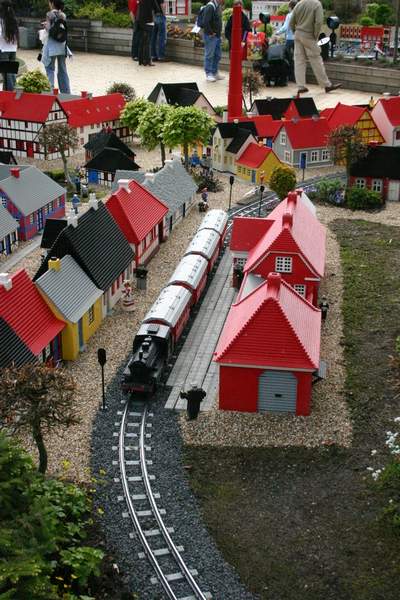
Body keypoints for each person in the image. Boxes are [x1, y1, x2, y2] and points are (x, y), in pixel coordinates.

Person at [290, 0, 341, 95]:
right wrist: (315, 35)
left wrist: (295, 32)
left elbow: (291, 22)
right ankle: (326, 85)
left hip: (298, 34)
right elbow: (319, 22)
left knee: (299, 61)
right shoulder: (316, 4)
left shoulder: (299, 4)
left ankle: (301, 86)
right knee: (316, 59)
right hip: (309, 35)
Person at [42, 0, 71, 93]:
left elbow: (50, 30)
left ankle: (50, 92)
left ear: (52, 4)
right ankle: (66, 92)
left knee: (50, 69)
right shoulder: (63, 15)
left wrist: (45, 26)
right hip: (62, 46)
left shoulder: (49, 14)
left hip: (52, 46)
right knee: (62, 69)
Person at [202, 0, 224, 83]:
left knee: (217, 55)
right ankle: (209, 74)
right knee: (209, 55)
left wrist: (218, 34)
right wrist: (211, 32)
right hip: (211, 36)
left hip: (216, 36)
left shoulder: (217, 6)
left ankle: (214, 72)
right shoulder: (210, 6)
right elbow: (205, 21)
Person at [0, 1, 18, 91]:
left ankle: (11, 94)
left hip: (3, 50)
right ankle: (8, 94)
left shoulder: (1, 21)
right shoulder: (14, 20)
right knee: (11, 74)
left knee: (7, 76)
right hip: (13, 50)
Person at [137, 0, 159, 66]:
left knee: (142, 41)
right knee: (148, 42)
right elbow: (157, 10)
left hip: (140, 22)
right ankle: (148, 61)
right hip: (149, 21)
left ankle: (140, 60)